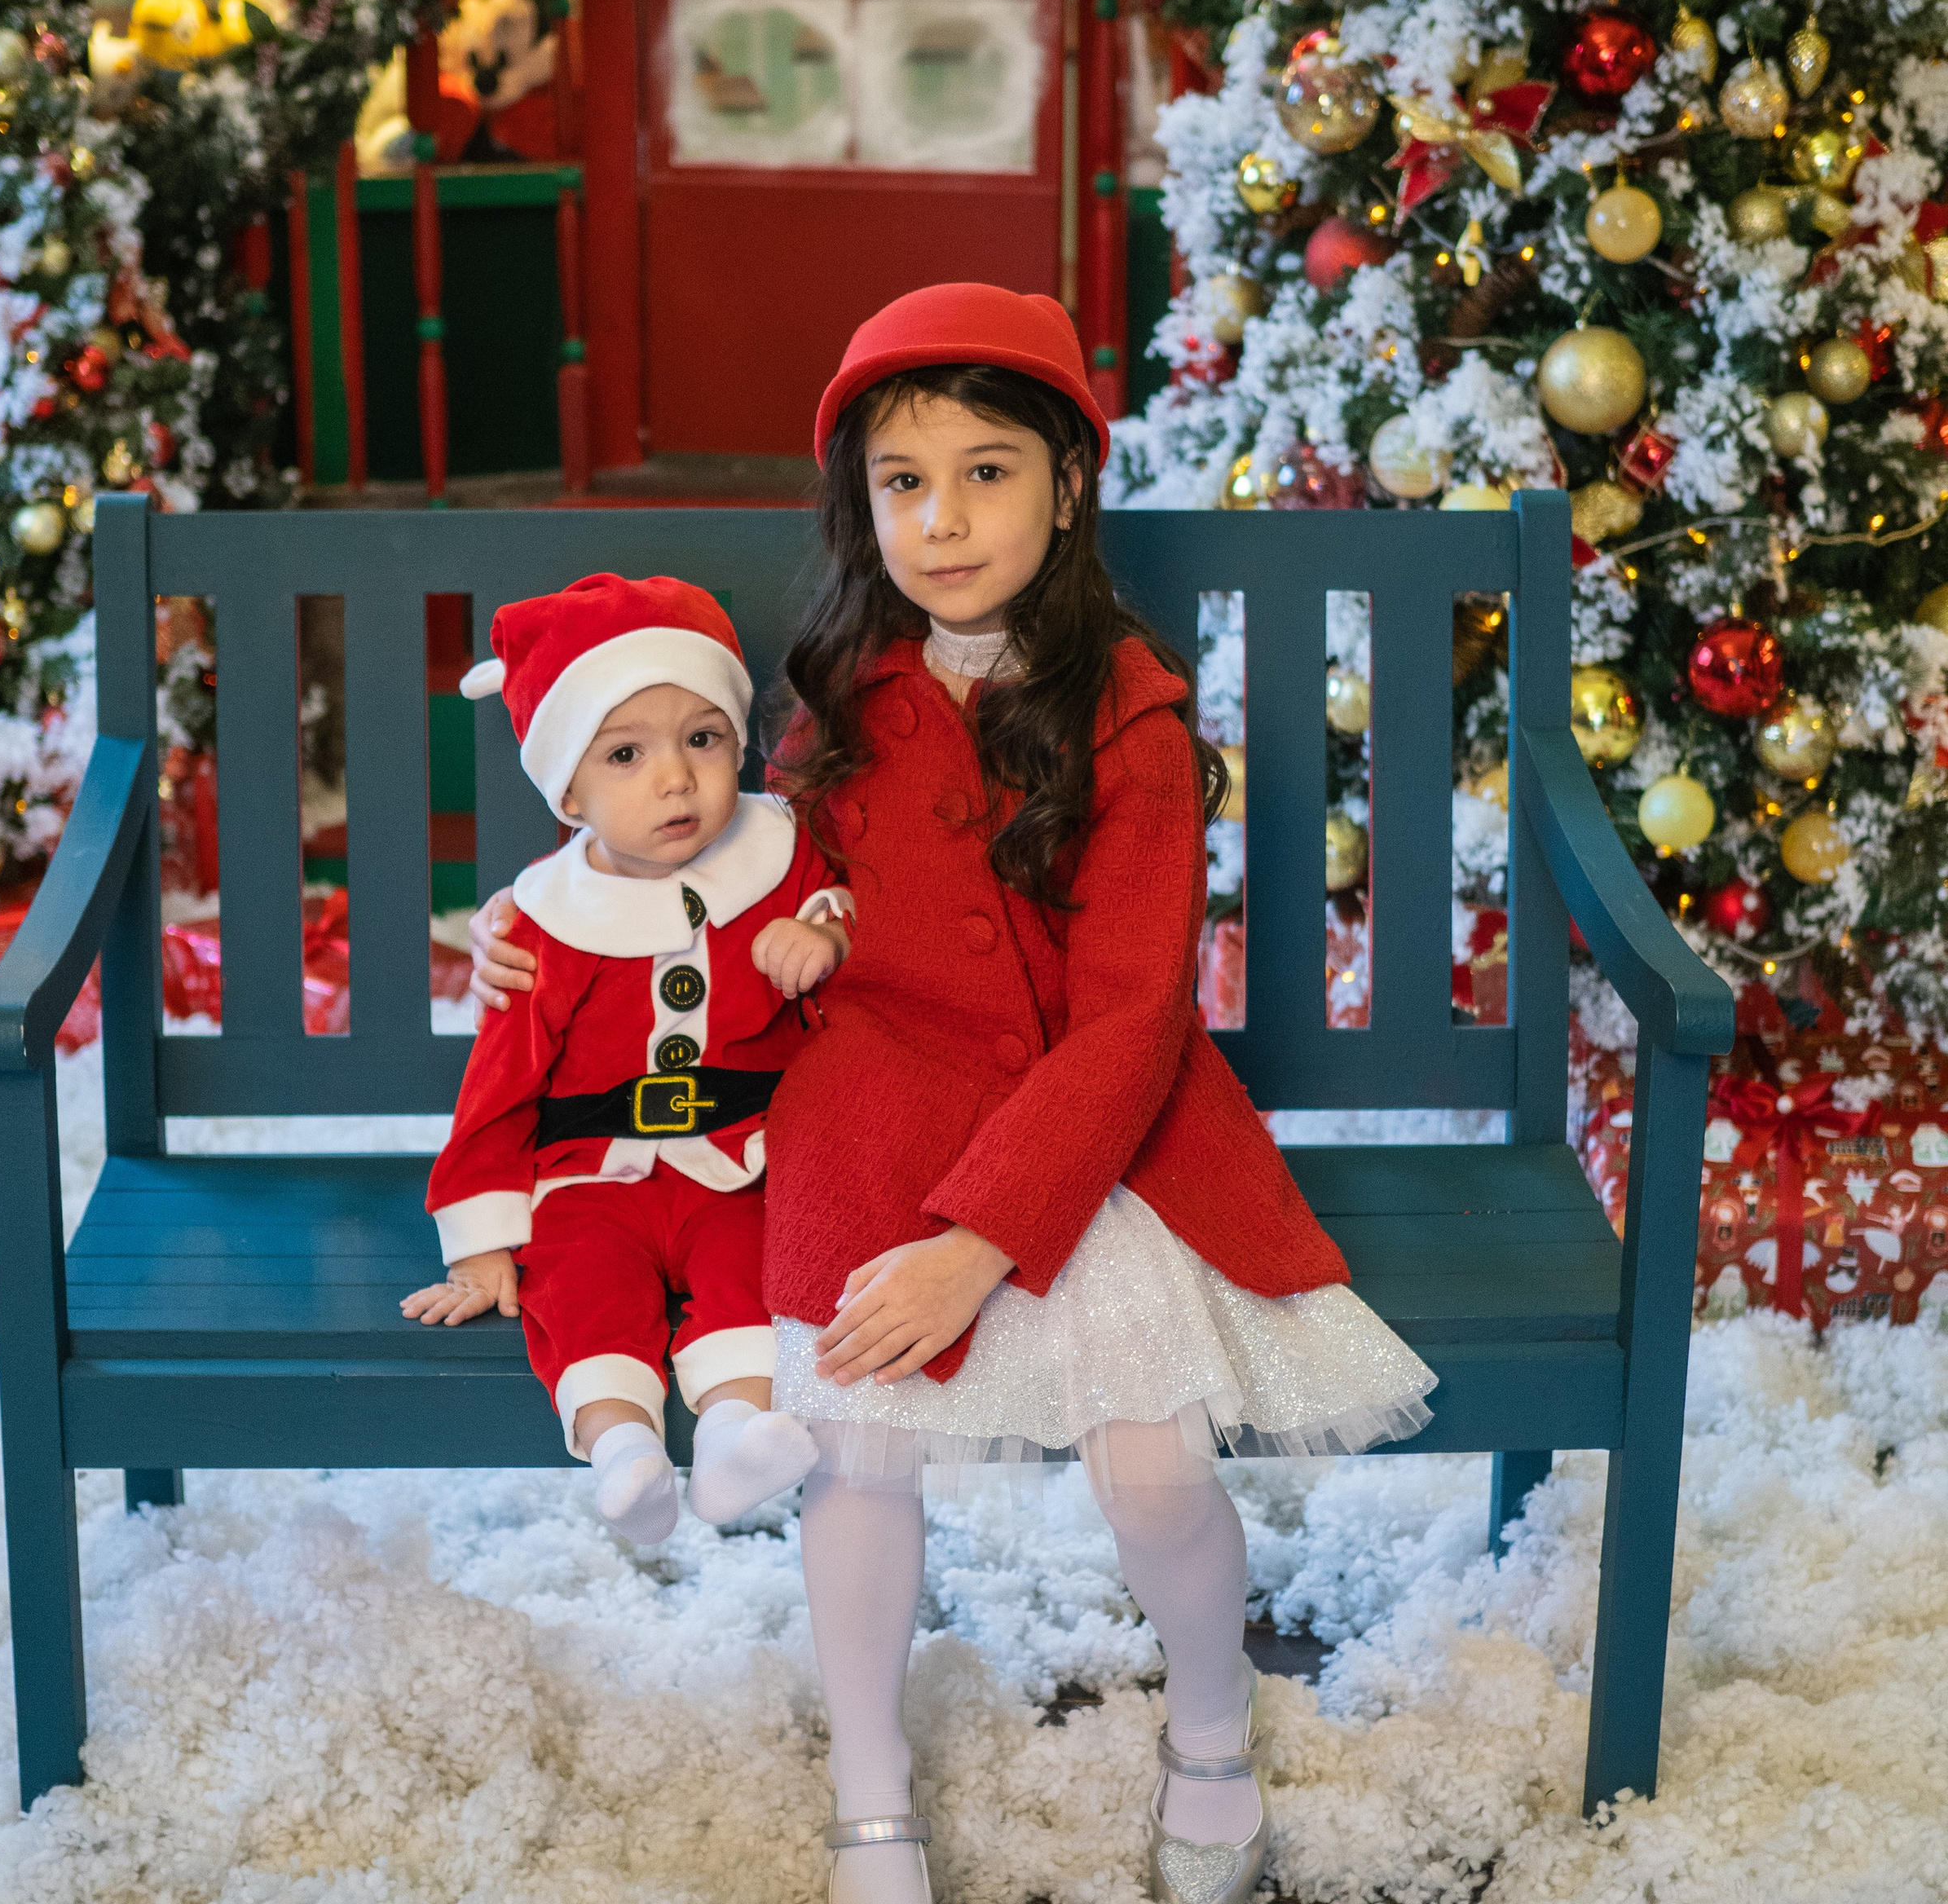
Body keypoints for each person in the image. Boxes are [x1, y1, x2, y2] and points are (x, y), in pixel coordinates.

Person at [464, 286, 1437, 1904]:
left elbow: (1131, 1020)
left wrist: (978, 1242)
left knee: (1148, 1463)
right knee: (854, 1442)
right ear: (858, 505)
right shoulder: (839, 692)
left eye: (985, 470)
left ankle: (1211, 1722)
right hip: (866, 1114)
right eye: (900, 481)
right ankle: (871, 1798)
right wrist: (532, 920)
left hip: (1088, 1135)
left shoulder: (1124, 710)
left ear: (1065, 479)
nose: (942, 515)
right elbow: (702, 858)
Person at [404, 575, 848, 1545]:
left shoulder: (782, 858)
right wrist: (479, 1235)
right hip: (591, 1173)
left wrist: (827, 934)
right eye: (625, 754)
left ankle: (735, 1435)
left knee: (754, 1269)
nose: (676, 780)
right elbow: (500, 1081)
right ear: (570, 792)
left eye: (703, 739)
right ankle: (622, 1452)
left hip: (741, 1160)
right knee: (579, 1282)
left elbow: (850, 913)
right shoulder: (547, 921)